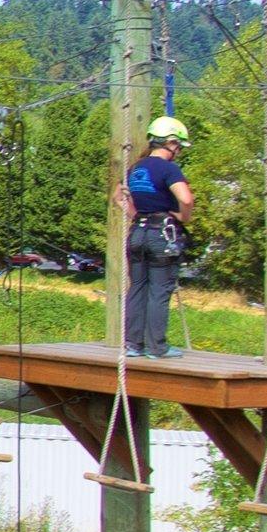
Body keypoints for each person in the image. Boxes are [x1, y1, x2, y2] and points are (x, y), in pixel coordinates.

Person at [115, 116, 193, 358]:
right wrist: (183, 216)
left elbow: (118, 196)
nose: (178, 150)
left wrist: (135, 214)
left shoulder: (136, 168)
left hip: (138, 232)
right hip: (162, 234)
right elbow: (187, 198)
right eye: (178, 145)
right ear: (170, 143)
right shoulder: (169, 168)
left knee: (137, 287)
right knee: (159, 289)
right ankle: (156, 347)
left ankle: (133, 344)